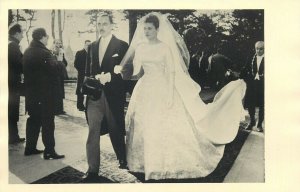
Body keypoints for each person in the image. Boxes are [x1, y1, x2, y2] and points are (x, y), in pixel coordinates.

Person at [114, 12, 246, 181]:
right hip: (145, 88)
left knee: (166, 124)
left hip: (163, 86)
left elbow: (171, 72)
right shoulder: (140, 47)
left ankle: (165, 163)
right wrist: (121, 70)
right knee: (145, 123)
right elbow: (136, 72)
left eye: (150, 29)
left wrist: (169, 94)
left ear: (157, 29)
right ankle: (145, 162)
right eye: (145, 29)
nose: (146, 32)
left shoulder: (164, 47)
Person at [82, 14, 129, 182]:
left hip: (113, 96)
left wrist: (111, 77)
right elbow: (87, 71)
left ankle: (122, 158)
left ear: (111, 25)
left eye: (104, 24)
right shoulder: (92, 46)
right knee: (93, 132)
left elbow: (126, 71)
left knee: (115, 129)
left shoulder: (122, 45)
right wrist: (85, 93)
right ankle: (92, 169)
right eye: (99, 24)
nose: (101, 26)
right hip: (95, 96)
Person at [22, 28, 65, 159]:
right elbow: (57, 70)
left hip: (31, 94)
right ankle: (49, 151)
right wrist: (59, 59)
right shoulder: (44, 52)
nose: (48, 39)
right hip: (45, 95)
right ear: (41, 37)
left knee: (33, 120)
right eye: (46, 37)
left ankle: (30, 148)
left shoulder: (27, 51)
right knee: (47, 122)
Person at [240, 41, 264, 132]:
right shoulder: (251, 58)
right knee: (250, 104)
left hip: (263, 85)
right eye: (257, 48)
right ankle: (252, 121)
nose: (258, 51)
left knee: (262, 105)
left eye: (261, 49)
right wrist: (239, 77)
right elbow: (245, 68)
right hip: (252, 84)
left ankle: (259, 124)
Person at [8, 23, 26, 144]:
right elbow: (20, 64)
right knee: (12, 110)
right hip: (12, 84)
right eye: (22, 33)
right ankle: (13, 137)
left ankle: (12, 136)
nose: (23, 36)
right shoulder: (13, 45)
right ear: (16, 33)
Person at [51, 39, 68, 115]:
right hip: (54, 75)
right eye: (56, 43)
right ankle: (55, 110)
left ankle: (60, 109)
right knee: (55, 92)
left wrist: (62, 62)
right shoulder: (51, 52)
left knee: (60, 92)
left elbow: (65, 62)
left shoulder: (61, 52)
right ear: (54, 44)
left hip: (60, 75)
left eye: (59, 43)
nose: (58, 45)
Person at [74, 40, 91, 111]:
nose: (88, 46)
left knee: (89, 89)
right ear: (84, 45)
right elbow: (76, 64)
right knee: (80, 90)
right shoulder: (79, 53)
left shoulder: (92, 54)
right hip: (81, 74)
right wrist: (82, 71)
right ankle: (79, 106)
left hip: (89, 75)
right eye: (87, 45)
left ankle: (87, 105)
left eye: (90, 45)